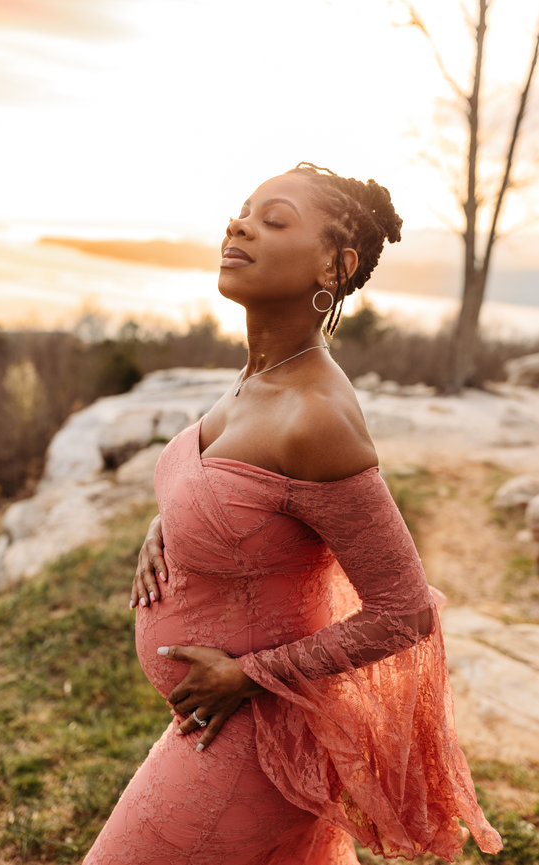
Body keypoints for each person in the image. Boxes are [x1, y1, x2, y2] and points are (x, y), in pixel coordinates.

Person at [82, 163, 502, 864]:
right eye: (242, 211)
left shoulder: (315, 417)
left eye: (273, 220)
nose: (238, 225)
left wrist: (245, 674)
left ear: (333, 266)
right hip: (225, 727)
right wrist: (171, 523)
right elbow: (241, 492)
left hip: (254, 736)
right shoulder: (258, 374)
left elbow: (403, 610)